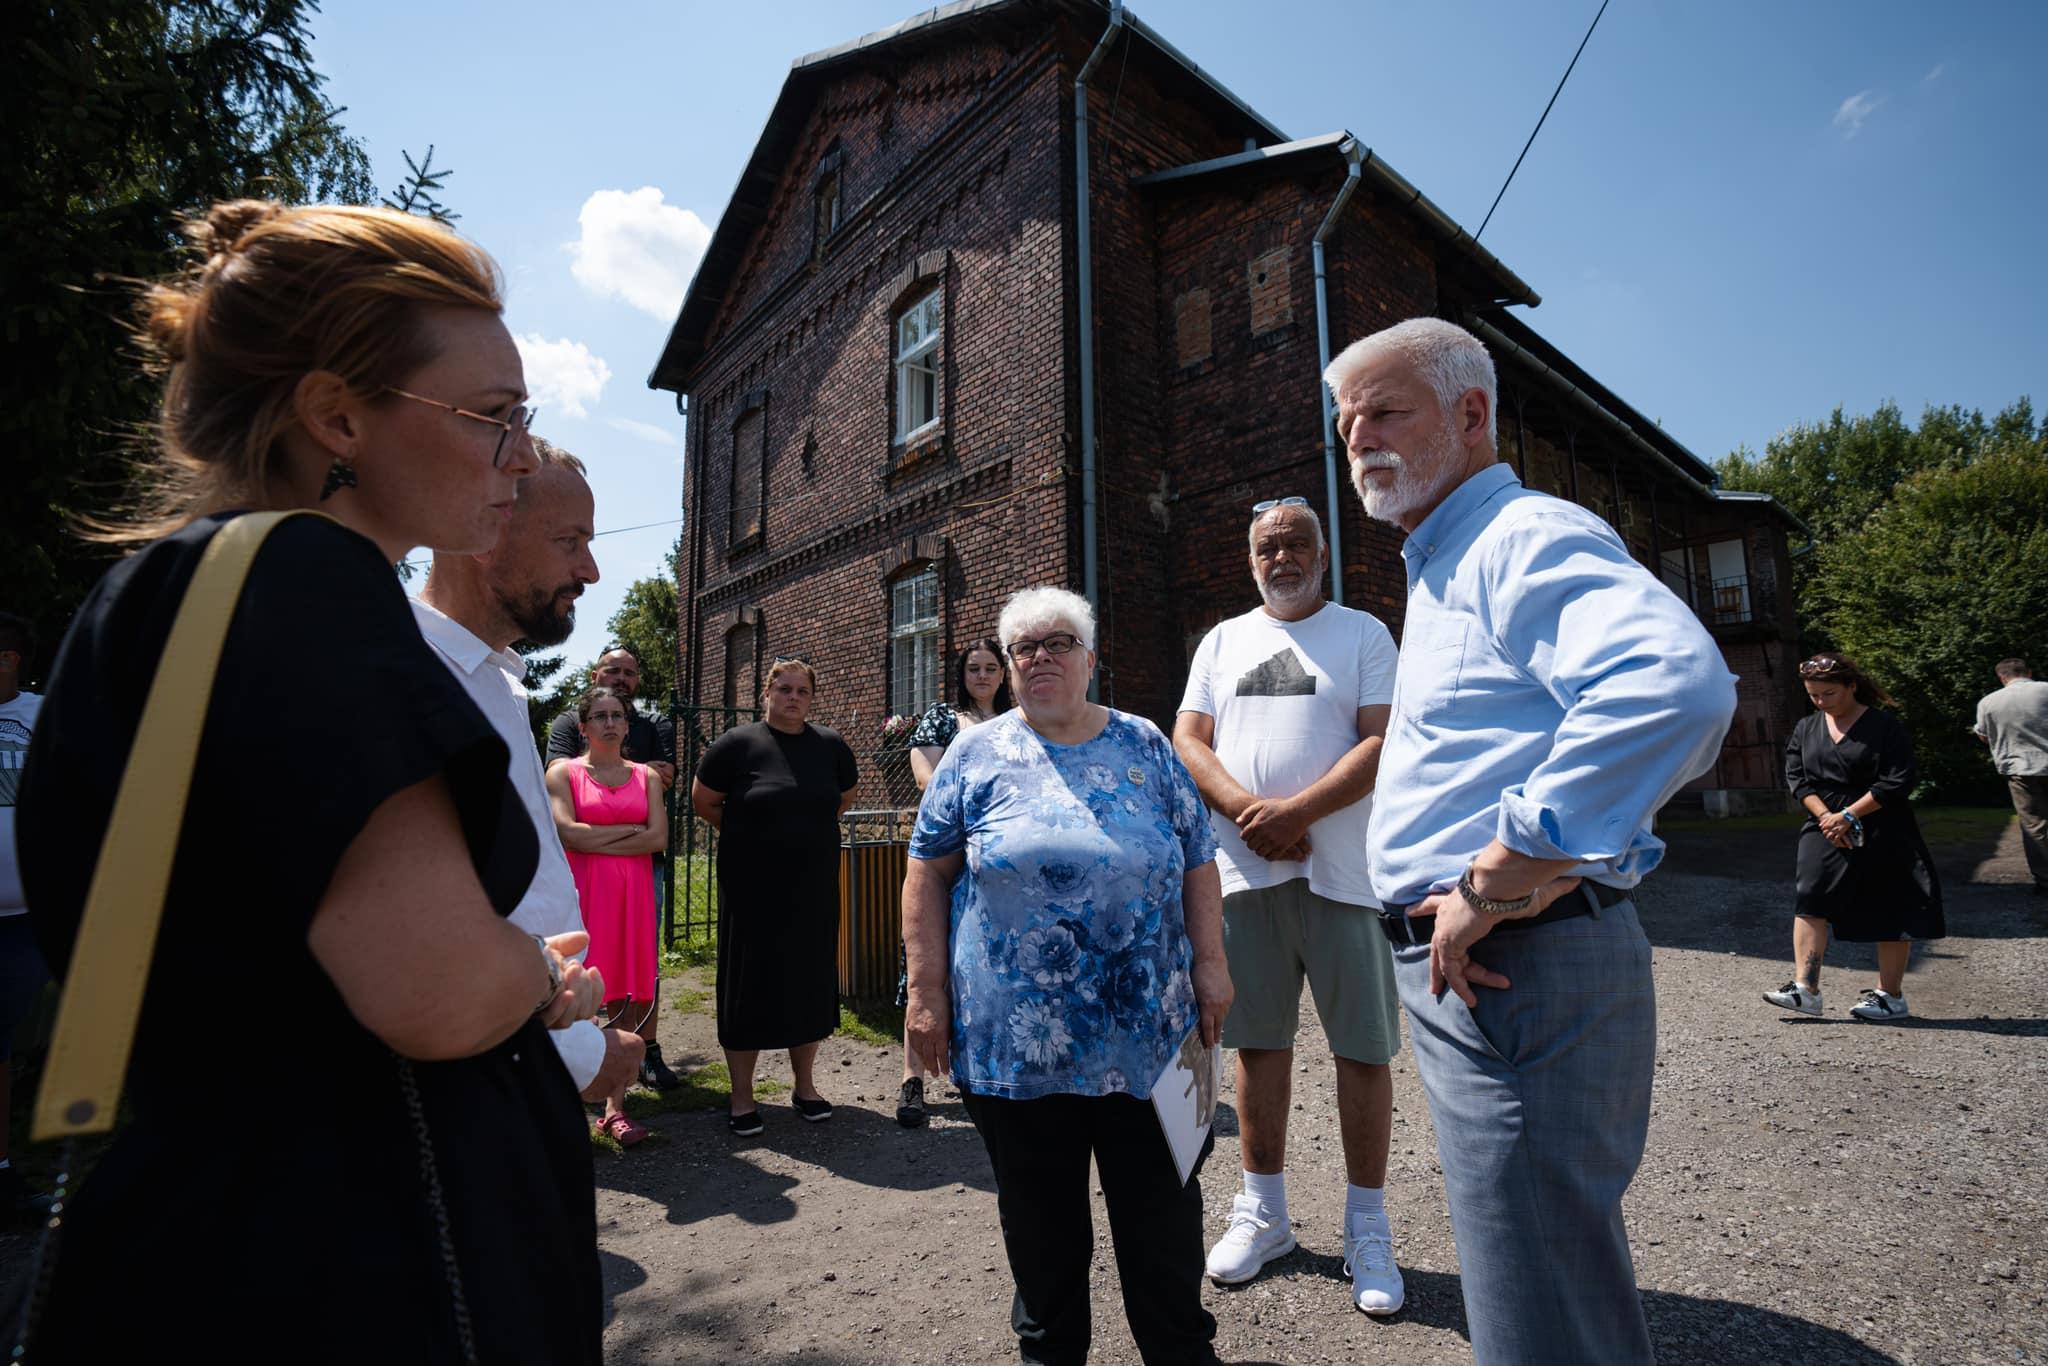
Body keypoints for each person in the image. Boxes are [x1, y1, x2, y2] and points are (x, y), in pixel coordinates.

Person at [17, 200, 605, 1361]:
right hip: (365, 1255)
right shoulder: (308, 582)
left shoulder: (153, 596)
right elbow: (433, 994)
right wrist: (535, 977)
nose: (521, 456)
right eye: (491, 417)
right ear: (337, 415)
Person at [1331, 317, 1735, 1365]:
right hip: (1498, 964)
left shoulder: (1516, 537)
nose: (1357, 437)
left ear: (1469, 415)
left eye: (1383, 410)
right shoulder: (1443, 563)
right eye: (1344, 421)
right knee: (1544, 1286)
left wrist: (1500, 873)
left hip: (1515, 965)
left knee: (1536, 1312)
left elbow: (1672, 688)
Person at [902, 586, 1234, 1366]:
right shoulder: (974, 754)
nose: (1038, 656)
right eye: (1023, 647)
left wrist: (1213, 967)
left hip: (1148, 1041)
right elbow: (927, 873)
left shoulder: (1146, 743)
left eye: (1057, 642)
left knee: (1163, 1229)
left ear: (1090, 659)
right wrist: (925, 995)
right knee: (1044, 1235)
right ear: (1009, 667)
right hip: (1018, 1053)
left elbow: (1198, 860)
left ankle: (1180, 1354)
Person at [1173, 498, 1407, 1314]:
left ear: (1323, 555)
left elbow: (1382, 740)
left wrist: (1298, 815)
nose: (1283, 557)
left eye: (1296, 544)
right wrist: (1251, 816)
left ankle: (1367, 1228)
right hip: (1244, 876)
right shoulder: (1223, 640)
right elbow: (1189, 741)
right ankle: (1264, 1212)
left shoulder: (1363, 634)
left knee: (1363, 1050)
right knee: (1258, 1045)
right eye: (1268, 548)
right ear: (1251, 562)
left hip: (1343, 874)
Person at [414, 444, 652, 1146]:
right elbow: (422, 926)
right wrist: (582, 1053)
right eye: (569, 541)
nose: (591, 569)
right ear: (485, 534)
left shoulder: (496, 682)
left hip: (521, 1054)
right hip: (459, 1089)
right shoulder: (411, 678)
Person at [691, 658, 858, 1136]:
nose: (792, 698)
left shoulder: (829, 746)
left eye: (802, 691)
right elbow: (705, 802)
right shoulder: (737, 745)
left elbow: (843, 797)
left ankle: (804, 1086)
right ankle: (742, 1095)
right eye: (783, 689)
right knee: (749, 987)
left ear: (811, 697)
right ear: (766, 693)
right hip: (751, 891)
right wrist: (750, 833)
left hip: (811, 889)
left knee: (807, 983)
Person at [1765, 653, 1944, 1021]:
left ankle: (1890, 996)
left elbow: (1898, 779)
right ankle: (1805, 989)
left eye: (1828, 693)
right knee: (1811, 896)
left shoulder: (1884, 726)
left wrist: (1849, 815)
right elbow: (1798, 778)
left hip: (1881, 822)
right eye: (1813, 695)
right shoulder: (1806, 728)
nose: (1821, 702)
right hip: (1823, 824)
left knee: (1889, 905)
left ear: (1851, 686)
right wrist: (1828, 818)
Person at [547, 644, 682, 1090]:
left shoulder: (654, 724)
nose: (621, 677)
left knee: (637, 965)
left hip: (639, 875)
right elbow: (568, 826)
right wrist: (628, 829)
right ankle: (575, 1061)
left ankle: (640, 1056)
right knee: (582, 964)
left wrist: (595, 835)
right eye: (612, 670)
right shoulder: (568, 726)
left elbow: (665, 784)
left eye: (629, 672)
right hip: (584, 879)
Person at [894, 637, 1011, 1127]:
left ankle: (989, 1073)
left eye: (990, 668)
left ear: (1003, 675)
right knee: (925, 961)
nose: (981, 676)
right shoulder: (943, 719)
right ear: (962, 675)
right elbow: (927, 779)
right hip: (946, 855)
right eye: (973, 668)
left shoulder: (1018, 718)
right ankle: (911, 1080)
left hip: (999, 860)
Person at [0, 611, 55, 1223]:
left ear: (10, 659)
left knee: (5, 1046)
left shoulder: (45, 717)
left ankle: (4, 1179)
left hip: (26, 921)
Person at [1973, 657, 2048, 895]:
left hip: (2020, 769)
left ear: (2002, 677)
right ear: (2029, 672)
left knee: (2034, 824)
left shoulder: (1989, 702)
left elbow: (1983, 736)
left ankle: (2045, 881)